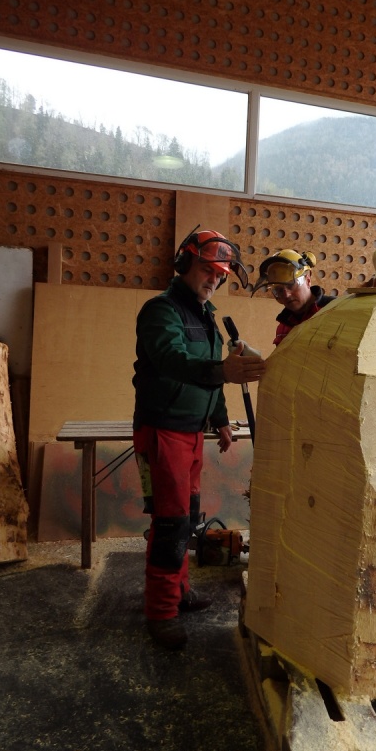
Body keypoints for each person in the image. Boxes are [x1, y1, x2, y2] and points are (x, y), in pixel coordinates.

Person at [133, 228, 266, 650]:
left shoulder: (206, 316)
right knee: (171, 523)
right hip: (163, 428)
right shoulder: (162, 311)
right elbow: (172, 359)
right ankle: (161, 611)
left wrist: (220, 419)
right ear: (186, 263)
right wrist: (224, 371)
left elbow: (212, 375)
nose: (215, 279)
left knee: (186, 518)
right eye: (209, 270)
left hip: (192, 430)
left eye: (221, 274)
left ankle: (179, 591)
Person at [252, 249, 336, 345]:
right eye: (279, 290)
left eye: (291, 285)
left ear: (308, 279)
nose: (286, 295)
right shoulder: (283, 328)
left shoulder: (335, 310)